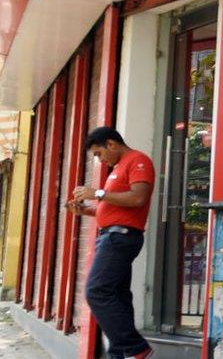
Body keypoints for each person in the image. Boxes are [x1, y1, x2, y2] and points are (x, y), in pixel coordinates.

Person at [67, 127, 155, 359]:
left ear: (111, 144)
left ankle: (135, 348)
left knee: (97, 291)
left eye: (99, 153)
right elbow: (114, 209)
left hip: (120, 237)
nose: (99, 159)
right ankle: (119, 354)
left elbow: (138, 198)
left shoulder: (138, 161)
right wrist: (85, 211)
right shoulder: (117, 168)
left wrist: (97, 193)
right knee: (117, 295)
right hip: (113, 235)